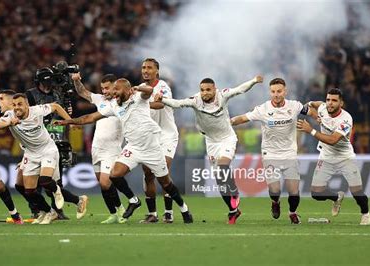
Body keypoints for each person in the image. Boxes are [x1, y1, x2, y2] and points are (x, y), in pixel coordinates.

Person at [55, 78, 193, 223]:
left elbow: (150, 91)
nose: (114, 93)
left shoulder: (139, 98)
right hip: (133, 147)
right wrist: (68, 121)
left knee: (166, 183)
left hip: (152, 148)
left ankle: (184, 209)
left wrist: (139, 88)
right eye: (113, 90)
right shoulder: (114, 105)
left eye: (117, 89)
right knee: (114, 175)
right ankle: (134, 201)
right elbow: (90, 117)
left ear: (128, 90)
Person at [156, 75, 263, 224]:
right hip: (211, 141)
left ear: (214, 89)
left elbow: (239, 90)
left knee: (222, 168)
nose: (204, 93)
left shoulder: (223, 95)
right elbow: (177, 104)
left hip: (227, 138)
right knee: (220, 180)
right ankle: (233, 211)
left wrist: (254, 81)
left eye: (208, 90)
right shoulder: (195, 100)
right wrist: (162, 99)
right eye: (202, 90)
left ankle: (234, 192)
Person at [231, 78, 312, 224]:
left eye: (279, 91)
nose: (276, 94)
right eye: (273, 91)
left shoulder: (294, 106)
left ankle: (292, 213)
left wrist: (319, 117)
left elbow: (309, 110)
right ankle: (275, 202)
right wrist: (228, 122)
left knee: (294, 191)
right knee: (275, 191)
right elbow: (243, 118)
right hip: (270, 154)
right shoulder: (263, 109)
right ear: (270, 92)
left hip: (289, 153)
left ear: (285, 91)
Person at [0, 93, 76, 224]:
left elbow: (55, 107)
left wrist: (70, 121)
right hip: (31, 154)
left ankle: (56, 190)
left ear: (27, 105)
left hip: (47, 149)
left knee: (45, 181)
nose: (16, 108)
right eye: (14, 105)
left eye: (20, 104)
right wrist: (9, 122)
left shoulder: (37, 111)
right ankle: (48, 212)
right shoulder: (10, 116)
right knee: (29, 190)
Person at [297, 88, 370, 225]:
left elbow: (332, 140)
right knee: (316, 193)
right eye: (328, 99)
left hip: (344, 157)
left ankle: (365, 213)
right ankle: (337, 197)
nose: (330, 103)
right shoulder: (323, 108)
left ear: (341, 103)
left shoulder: (346, 119)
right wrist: (309, 106)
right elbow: (314, 104)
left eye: (334, 101)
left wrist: (310, 130)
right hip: (326, 156)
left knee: (357, 192)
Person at [25, 67, 87, 220]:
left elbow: (65, 113)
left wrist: (69, 119)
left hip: (56, 140)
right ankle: (38, 210)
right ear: (39, 81)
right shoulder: (30, 95)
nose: (49, 84)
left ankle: (56, 210)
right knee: (35, 181)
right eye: (46, 81)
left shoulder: (58, 94)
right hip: (36, 140)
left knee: (55, 181)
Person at [72, 73, 125, 224]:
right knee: (103, 185)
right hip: (96, 148)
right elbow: (82, 92)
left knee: (105, 182)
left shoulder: (123, 102)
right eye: (102, 88)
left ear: (116, 87)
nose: (104, 91)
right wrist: (77, 81)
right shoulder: (100, 99)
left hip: (112, 148)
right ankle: (114, 213)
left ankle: (121, 209)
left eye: (107, 88)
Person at [139, 58, 178, 223]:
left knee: (163, 173)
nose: (145, 70)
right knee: (148, 174)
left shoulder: (163, 86)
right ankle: (152, 214)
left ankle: (169, 212)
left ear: (157, 71)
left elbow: (160, 105)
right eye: (143, 68)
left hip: (167, 135)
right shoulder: (140, 89)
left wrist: (140, 106)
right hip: (150, 137)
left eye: (149, 68)